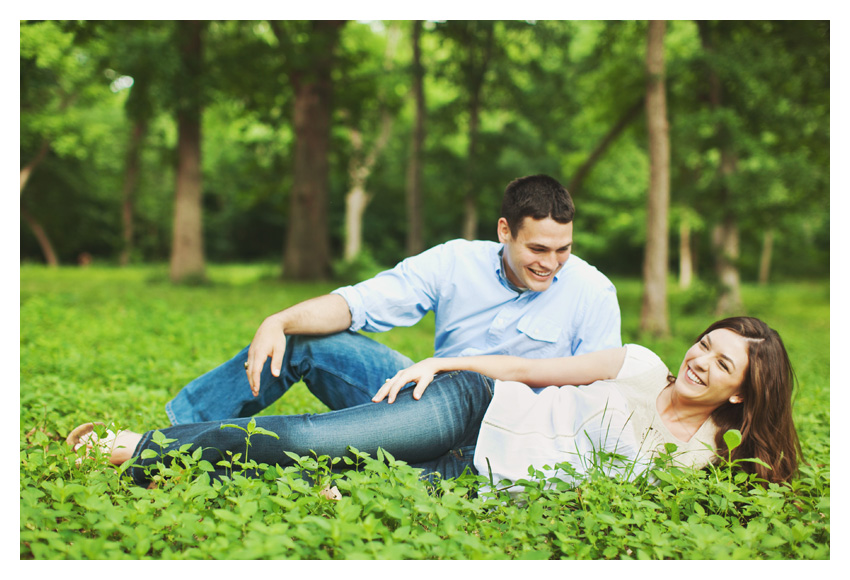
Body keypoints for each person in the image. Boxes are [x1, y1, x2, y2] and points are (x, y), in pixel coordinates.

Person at [68, 317, 801, 490]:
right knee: (308, 445)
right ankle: (145, 445)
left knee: (323, 487)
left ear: (740, 390)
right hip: (473, 409)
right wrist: (453, 361)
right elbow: (531, 367)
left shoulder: (699, 458)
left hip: (475, 477)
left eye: (720, 362)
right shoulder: (641, 364)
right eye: (705, 343)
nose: (698, 359)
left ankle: (167, 469)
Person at [165, 174, 621, 425]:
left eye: (563, 249)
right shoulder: (454, 262)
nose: (552, 262)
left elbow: (599, 393)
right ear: (504, 231)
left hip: (511, 429)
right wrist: (278, 320)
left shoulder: (593, 292)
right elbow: (357, 303)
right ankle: (170, 436)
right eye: (537, 249)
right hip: (426, 397)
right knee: (303, 339)